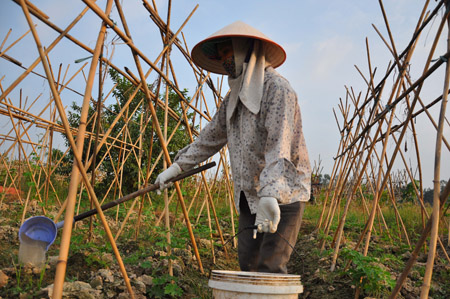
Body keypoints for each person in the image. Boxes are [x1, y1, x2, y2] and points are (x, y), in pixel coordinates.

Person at [155, 21, 311, 274]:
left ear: (245, 49)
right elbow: (211, 137)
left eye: (228, 52)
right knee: (248, 266)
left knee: (269, 268)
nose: (223, 58)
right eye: (221, 54)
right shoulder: (233, 98)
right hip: (249, 196)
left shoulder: (277, 89)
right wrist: (176, 167)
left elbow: (278, 146)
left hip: (282, 195)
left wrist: (270, 194)